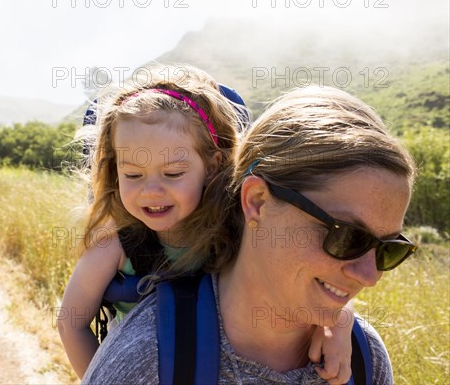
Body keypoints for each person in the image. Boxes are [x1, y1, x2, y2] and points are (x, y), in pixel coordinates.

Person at [81, 85, 418, 384]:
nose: (370, 276)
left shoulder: (364, 359)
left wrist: (341, 318)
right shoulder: (147, 359)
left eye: (388, 249)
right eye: (347, 237)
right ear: (256, 201)